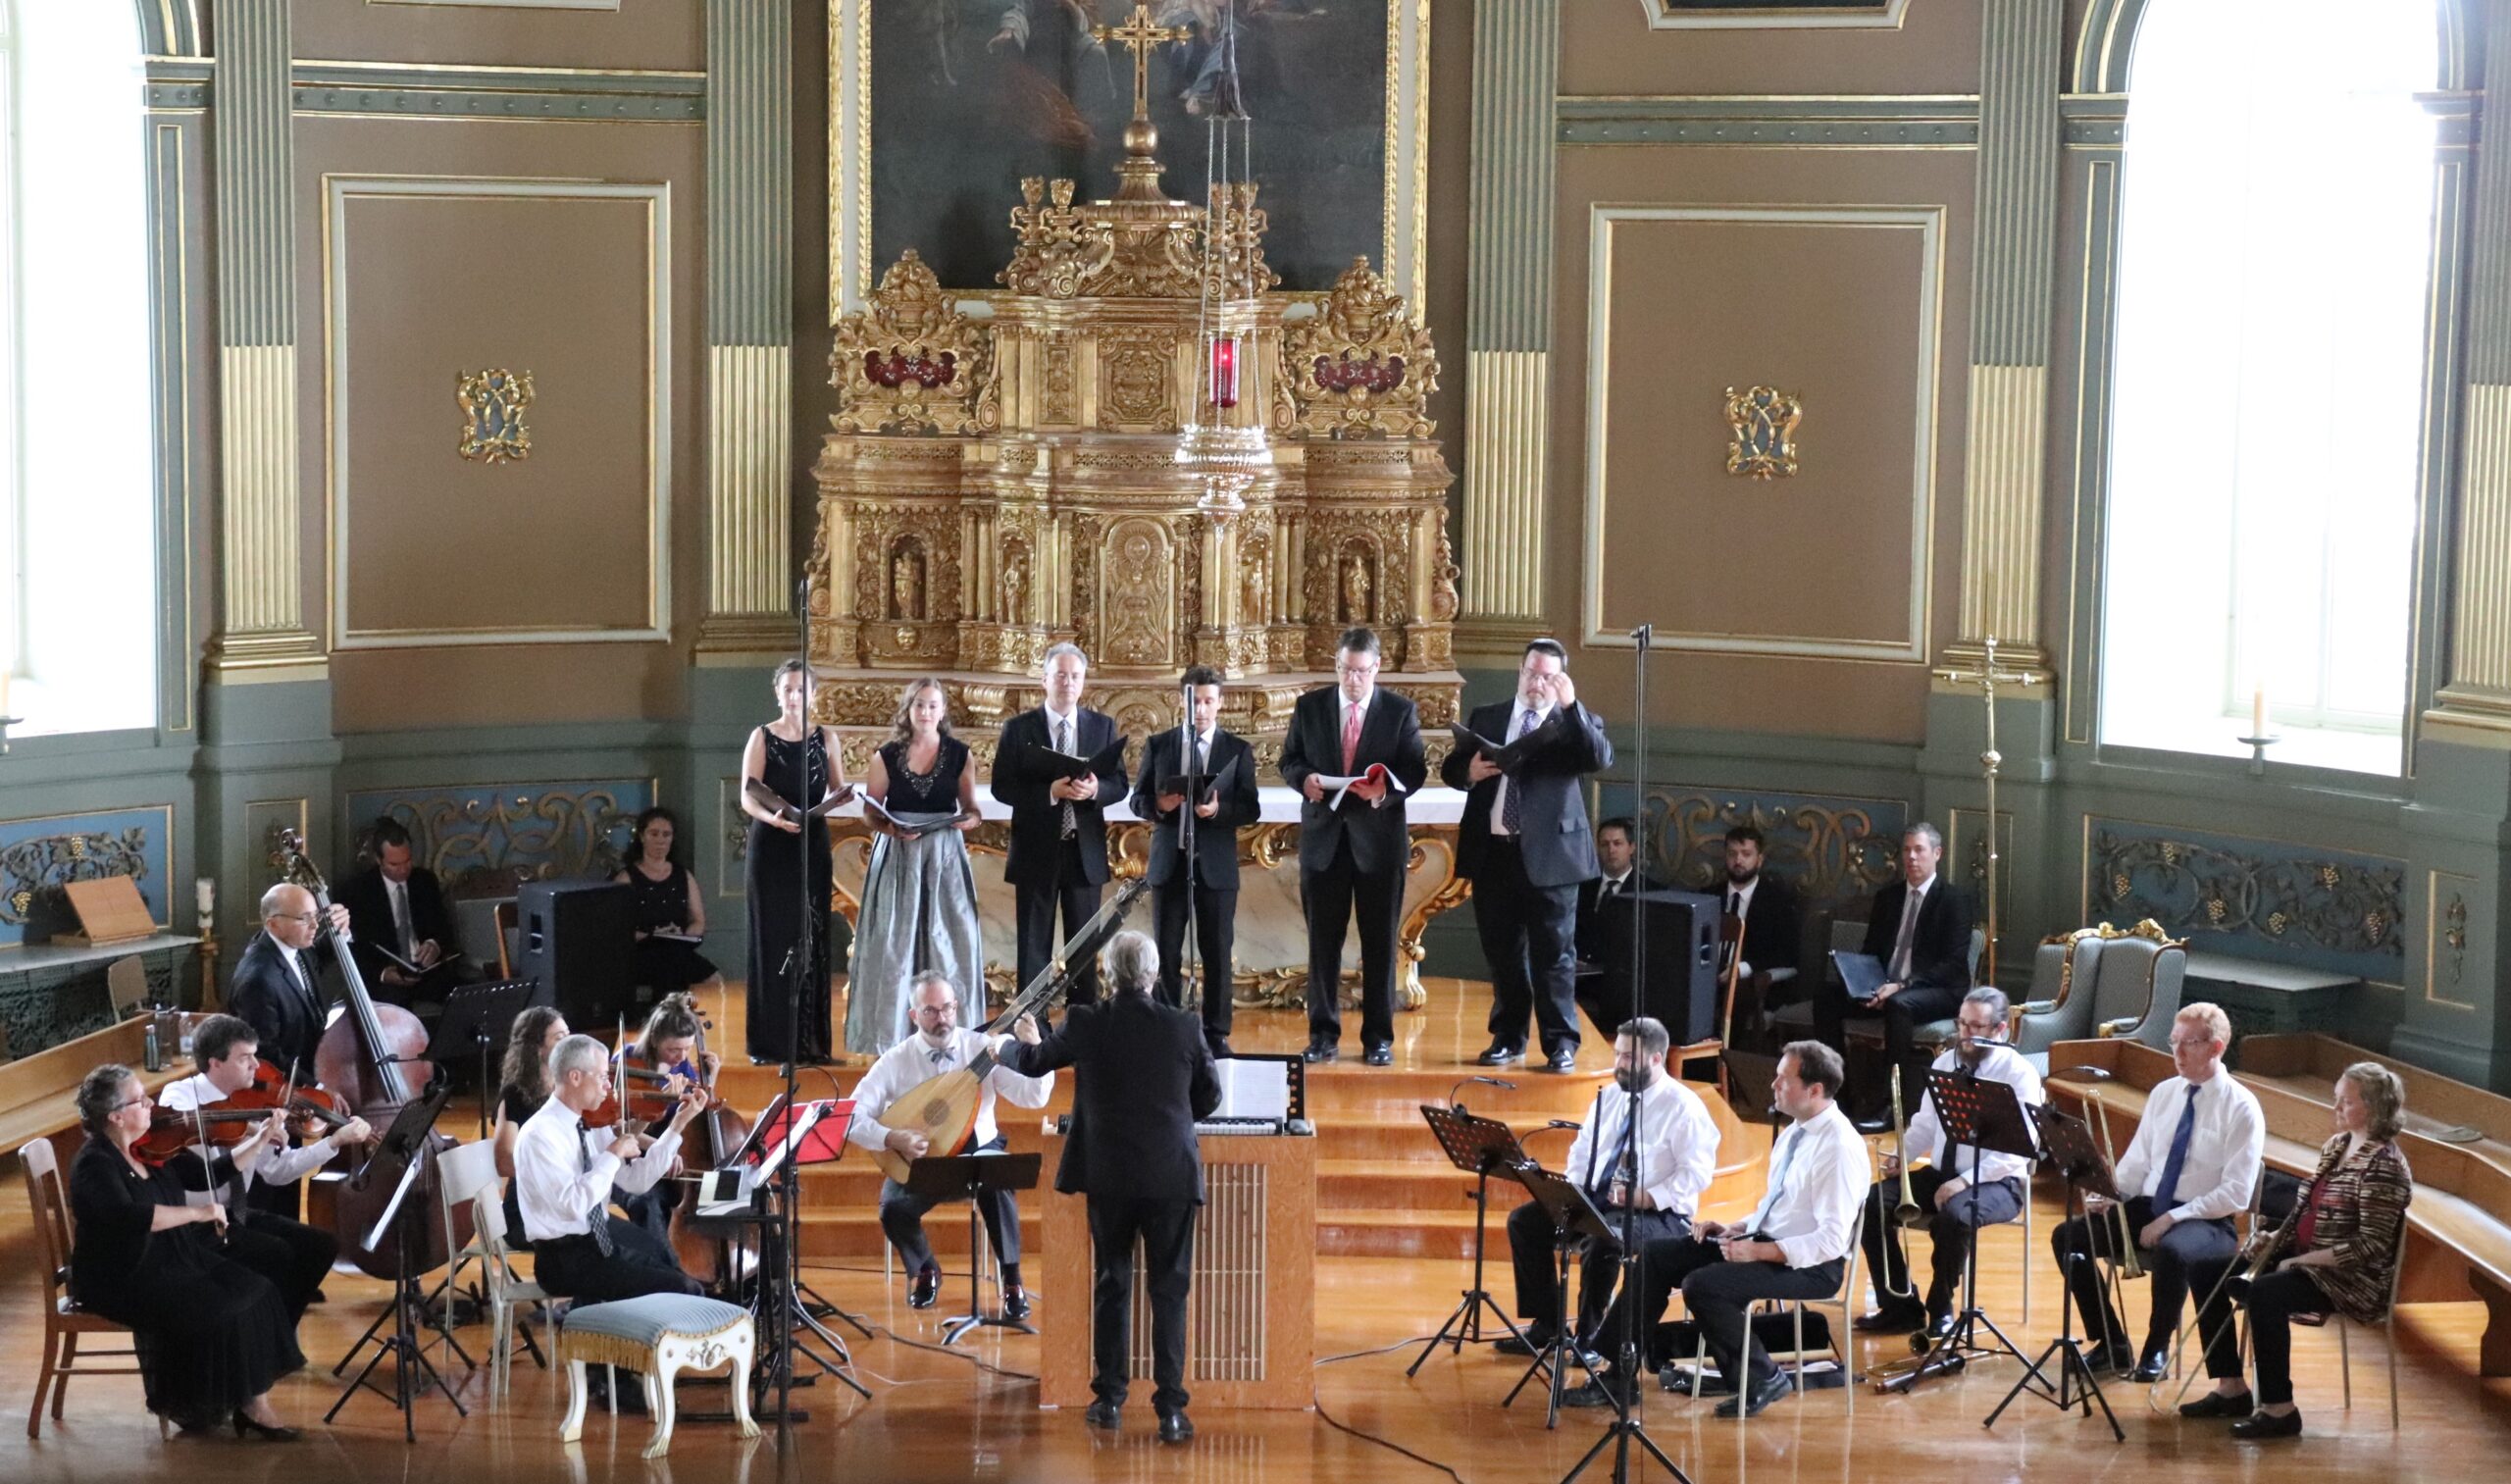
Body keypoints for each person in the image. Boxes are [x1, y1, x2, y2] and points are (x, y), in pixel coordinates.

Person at [995, 930, 1220, 1445]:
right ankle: (1171, 1411)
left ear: (1107, 975)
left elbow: (1032, 1063)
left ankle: (1108, 1400)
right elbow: (1208, 1097)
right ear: (1154, 975)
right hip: (1170, 1176)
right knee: (1170, 1290)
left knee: (1112, 1284)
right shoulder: (1184, 1025)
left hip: (1110, 1177)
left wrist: (1014, 1041)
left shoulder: (1087, 1022)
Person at [1566, 1041, 1870, 1418]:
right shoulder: (1796, 1131)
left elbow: (1830, 1241)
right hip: (1767, 1242)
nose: (1773, 1084)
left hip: (1810, 1266)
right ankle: (1619, 1373)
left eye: (1783, 1079)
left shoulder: (1839, 1148)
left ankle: (1763, 1376)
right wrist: (1735, 1228)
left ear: (1815, 1090)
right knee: (1658, 1257)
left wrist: (1756, 1251)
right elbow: (1777, 1207)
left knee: (1704, 1285)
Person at [68, 1063, 307, 1439]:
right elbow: (129, 1218)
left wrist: (258, 1140)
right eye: (140, 1099)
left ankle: (250, 1403)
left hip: (170, 1255)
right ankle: (210, 1405)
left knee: (257, 1289)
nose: (151, 1104)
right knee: (219, 1307)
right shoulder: (94, 1164)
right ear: (115, 1116)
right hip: (122, 1274)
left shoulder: (150, 1143)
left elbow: (205, 1175)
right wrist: (199, 1212)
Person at [2179, 1060, 2412, 1439]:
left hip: (2350, 1278)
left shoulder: (2384, 1166)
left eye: (2346, 1102)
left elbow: (2371, 1245)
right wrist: (2275, 1240)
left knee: (2265, 1294)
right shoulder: (2338, 1145)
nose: (2336, 1109)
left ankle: (2279, 1409)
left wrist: (2299, 1260)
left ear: (2373, 1107)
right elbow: (2307, 1211)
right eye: (2336, 1100)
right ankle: (2231, 1388)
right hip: (2305, 1260)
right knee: (2207, 1271)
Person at [2049, 1001, 2264, 1380]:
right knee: (2069, 1237)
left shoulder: (2242, 1107)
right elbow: (2137, 1165)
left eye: (2189, 1043)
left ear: (2216, 1047)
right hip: (2150, 1206)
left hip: (2206, 1219)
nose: (2177, 1053)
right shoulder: (2164, 1094)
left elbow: (2236, 1195)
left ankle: (2156, 1349)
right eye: (2174, 1041)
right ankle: (2112, 1343)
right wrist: (2110, 1194)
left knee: (2173, 1251)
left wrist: (2172, 1218)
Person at [1495, 1017, 1717, 1361]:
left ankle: (1591, 1337)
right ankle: (1549, 1324)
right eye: (1617, 1055)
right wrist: (1572, 1191)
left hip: (1661, 1215)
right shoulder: (1610, 1096)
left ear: (1656, 1059)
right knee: (1525, 1221)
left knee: (1605, 1238)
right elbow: (1583, 1152)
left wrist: (1643, 1197)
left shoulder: (1684, 1108)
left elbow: (1696, 1175)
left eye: (1629, 1057)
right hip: (1600, 1200)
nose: (1619, 1065)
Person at [1442, 639, 1613, 1074]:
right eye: (1532, 673)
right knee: (1503, 953)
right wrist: (1468, 772)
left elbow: (1598, 757)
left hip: (1553, 859)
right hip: (1495, 854)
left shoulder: (1574, 722)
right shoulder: (1490, 716)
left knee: (1554, 954)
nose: (1537, 683)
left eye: (1548, 676)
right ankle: (1508, 1036)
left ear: (1560, 680)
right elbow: (1453, 766)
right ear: (1520, 672)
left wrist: (1571, 705)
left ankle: (1560, 1043)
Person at [846, 972, 1056, 1317]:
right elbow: (852, 1117)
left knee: (998, 1181)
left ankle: (1012, 1281)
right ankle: (926, 1269)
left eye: (947, 1008)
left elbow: (1032, 1097)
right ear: (914, 1015)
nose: (941, 1018)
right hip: (924, 1163)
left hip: (979, 1152)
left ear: (957, 1006)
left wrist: (1037, 1052)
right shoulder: (895, 1061)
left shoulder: (985, 1048)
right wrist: (891, 1137)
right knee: (892, 1208)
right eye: (930, 1011)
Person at [1277, 627, 1428, 1066]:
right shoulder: (1311, 707)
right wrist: (1302, 779)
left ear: (1376, 668)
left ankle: (1378, 1038)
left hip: (1378, 843)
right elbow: (1290, 759)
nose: (1354, 679)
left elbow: (1414, 770)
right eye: (1346, 669)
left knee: (1381, 944)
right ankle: (1323, 1034)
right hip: (1325, 840)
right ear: (1337, 665)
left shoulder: (1400, 711)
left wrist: (1382, 791)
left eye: (1362, 671)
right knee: (1323, 943)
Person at [1853, 988, 2041, 1338]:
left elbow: (2020, 1149)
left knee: (1954, 1217)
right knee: (1871, 1206)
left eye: (1975, 1027)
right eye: (1962, 1024)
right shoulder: (1945, 1063)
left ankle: (1940, 1309)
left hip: (1999, 1183)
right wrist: (1902, 1156)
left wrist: (1965, 1182)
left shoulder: (2020, 1075)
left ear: (2000, 1030)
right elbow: (1925, 1124)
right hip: (1943, 1173)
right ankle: (1899, 1306)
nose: (1965, 1034)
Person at [156, 1012, 374, 1313]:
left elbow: (277, 1172)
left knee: (321, 1246)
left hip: (237, 1213)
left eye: (255, 1056)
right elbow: (191, 1124)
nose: (257, 1067)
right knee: (276, 1253)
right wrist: (250, 1129)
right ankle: (265, 1334)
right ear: (215, 1063)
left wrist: (333, 1142)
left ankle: (280, 1331)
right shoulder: (179, 1095)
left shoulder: (254, 1104)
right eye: (245, 1058)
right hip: (194, 1222)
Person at [513, 1032, 706, 1305]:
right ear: (575, 1077)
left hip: (599, 1240)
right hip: (563, 1258)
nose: (609, 1088)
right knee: (682, 1290)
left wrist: (678, 1125)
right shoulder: (539, 1135)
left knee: (673, 1267)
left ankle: (651, 1343)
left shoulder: (592, 1122)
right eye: (603, 1077)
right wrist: (613, 1154)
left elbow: (636, 1182)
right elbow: (574, 1204)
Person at [848, 677, 985, 1054]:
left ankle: (954, 1035)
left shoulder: (960, 754)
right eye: (919, 705)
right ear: (908, 711)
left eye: (933, 705)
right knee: (894, 943)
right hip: (899, 855)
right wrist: (889, 827)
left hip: (943, 856)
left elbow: (971, 808)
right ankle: (886, 1037)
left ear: (943, 712)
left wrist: (968, 820)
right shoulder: (886, 755)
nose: (926, 712)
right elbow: (870, 812)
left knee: (949, 940)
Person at [1130, 664, 1260, 1058]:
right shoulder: (1160, 745)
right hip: (1171, 861)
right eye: (1194, 701)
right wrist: (1160, 804)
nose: (1200, 709)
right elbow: (1137, 801)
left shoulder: (1237, 749)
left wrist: (1218, 813)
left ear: (1220, 703)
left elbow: (1250, 807)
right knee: (1166, 947)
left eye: (1208, 701)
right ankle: (1168, 1024)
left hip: (1215, 865)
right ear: (1180, 701)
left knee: (1217, 949)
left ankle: (1217, 1031)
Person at [992, 643, 1127, 1011]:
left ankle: (1081, 1020)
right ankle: (1031, 1021)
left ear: (1084, 683)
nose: (1068, 682)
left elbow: (1120, 783)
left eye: (1075, 676)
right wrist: (1048, 792)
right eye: (1061, 675)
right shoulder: (1019, 728)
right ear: (1045, 680)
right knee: (1033, 945)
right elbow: (1002, 786)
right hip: (1036, 849)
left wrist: (1096, 789)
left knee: (1084, 945)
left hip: (1084, 852)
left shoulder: (1102, 726)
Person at [1816, 823, 1972, 1111]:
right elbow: (1870, 951)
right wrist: (1867, 986)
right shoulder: (1888, 897)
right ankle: (1838, 1094)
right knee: (1826, 999)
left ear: (1937, 853)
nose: (1911, 857)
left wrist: (1901, 986)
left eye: (1919, 850)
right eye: (1907, 850)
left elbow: (1952, 964)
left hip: (1937, 990)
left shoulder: (1954, 900)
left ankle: (1890, 1105)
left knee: (1899, 1005)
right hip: (1886, 985)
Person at [740, 658, 846, 1064]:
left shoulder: (827, 737)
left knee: (812, 937)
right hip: (772, 842)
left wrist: (840, 799)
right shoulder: (762, 736)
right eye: (787, 689)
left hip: (811, 841)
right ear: (777, 693)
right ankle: (770, 1045)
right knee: (774, 938)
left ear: (813, 695)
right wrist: (773, 818)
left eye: (802, 690)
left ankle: (812, 1045)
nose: (794, 697)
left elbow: (835, 789)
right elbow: (748, 793)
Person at [616, 994, 725, 1248]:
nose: (681, 1056)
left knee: (726, 1190)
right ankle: (664, 1266)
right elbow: (618, 1131)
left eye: (687, 1048)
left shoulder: (683, 1065)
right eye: (674, 1049)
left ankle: (728, 1267)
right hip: (633, 1159)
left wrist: (710, 1081)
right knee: (649, 1202)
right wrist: (661, 1147)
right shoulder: (628, 1063)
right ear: (654, 1040)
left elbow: (698, 1113)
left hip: (672, 1153)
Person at [228, 882, 354, 1085]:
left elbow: (315, 959)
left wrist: (341, 931)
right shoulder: (258, 980)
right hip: (285, 1091)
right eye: (304, 918)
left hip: (310, 1070)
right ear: (273, 924)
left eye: (316, 916)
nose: (315, 925)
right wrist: (317, 1088)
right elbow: (265, 1055)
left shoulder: (293, 944)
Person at [335, 818, 465, 1009]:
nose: (403, 870)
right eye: (395, 864)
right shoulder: (358, 890)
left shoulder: (424, 881)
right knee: (393, 1005)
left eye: (407, 861)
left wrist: (434, 944)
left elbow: (445, 929)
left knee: (467, 995)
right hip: (386, 977)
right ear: (379, 860)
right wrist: (383, 973)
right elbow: (354, 948)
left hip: (427, 972)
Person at [614, 806, 720, 998]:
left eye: (666, 834)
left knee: (714, 980)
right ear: (642, 836)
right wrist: (653, 935)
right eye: (654, 834)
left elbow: (698, 920)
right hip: (642, 953)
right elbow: (617, 930)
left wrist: (682, 936)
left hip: (678, 949)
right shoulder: (626, 878)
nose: (660, 840)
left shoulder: (683, 875)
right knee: (668, 965)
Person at [490, 1003, 571, 1252]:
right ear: (536, 1047)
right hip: (526, 1215)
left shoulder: (569, 1086)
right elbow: (504, 1162)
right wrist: (553, 1175)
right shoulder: (515, 1094)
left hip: (565, 1206)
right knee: (591, 1239)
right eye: (559, 1038)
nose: (569, 1044)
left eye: (568, 1035)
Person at [1713, 825, 1802, 1042]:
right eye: (1732, 854)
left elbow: (1787, 954)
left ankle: (1724, 1068)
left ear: (1759, 859)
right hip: (1710, 977)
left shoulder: (1778, 901)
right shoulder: (1710, 895)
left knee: (1736, 996)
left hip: (1754, 982)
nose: (1738, 861)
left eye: (1746, 854)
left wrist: (1741, 969)